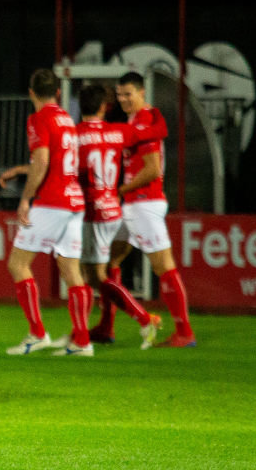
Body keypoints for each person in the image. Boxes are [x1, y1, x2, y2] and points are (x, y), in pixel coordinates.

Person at [98, 72, 196, 348]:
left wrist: (119, 191)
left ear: (142, 92)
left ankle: (184, 332)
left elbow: (152, 169)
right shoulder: (136, 121)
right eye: (119, 95)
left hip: (145, 203)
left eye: (128, 93)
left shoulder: (147, 118)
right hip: (132, 204)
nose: (123, 99)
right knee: (108, 263)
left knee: (163, 266)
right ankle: (107, 327)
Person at [0, 69, 92, 357]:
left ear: (31, 92)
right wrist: (21, 170)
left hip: (52, 201)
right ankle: (81, 340)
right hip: (75, 200)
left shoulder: (38, 118)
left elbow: (42, 161)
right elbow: (58, 162)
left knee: (18, 263)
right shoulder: (66, 119)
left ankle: (38, 334)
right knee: (71, 270)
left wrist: (26, 199)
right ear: (58, 93)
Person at [73, 83, 166, 349]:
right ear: (105, 107)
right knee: (96, 272)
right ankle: (102, 327)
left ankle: (144, 317)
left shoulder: (74, 136)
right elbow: (158, 131)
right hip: (113, 208)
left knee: (94, 277)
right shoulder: (118, 132)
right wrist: (155, 113)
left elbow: (73, 171)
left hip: (93, 212)